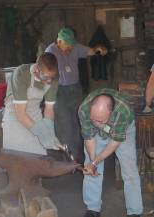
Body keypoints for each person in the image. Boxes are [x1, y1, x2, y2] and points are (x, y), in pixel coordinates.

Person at [78, 88, 143, 217]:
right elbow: (89, 137)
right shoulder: (83, 110)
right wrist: (93, 162)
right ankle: (93, 209)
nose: (96, 123)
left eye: (100, 120)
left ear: (111, 113)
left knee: (130, 170)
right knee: (90, 169)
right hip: (99, 133)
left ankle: (135, 211)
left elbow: (114, 143)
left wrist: (96, 161)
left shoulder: (122, 112)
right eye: (93, 119)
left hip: (122, 130)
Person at [45, 27, 106, 162]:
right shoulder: (50, 51)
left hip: (75, 89)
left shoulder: (75, 47)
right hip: (58, 91)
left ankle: (79, 155)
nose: (71, 47)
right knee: (65, 125)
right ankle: (67, 158)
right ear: (59, 41)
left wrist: (99, 49)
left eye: (72, 44)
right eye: (68, 44)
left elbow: (90, 51)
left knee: (79, 121)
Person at [2, 52, 60, 155]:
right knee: (16, 157)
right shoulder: (21, 74)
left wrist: (50, 132)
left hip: (34, 113)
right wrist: (42, 133)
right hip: (15, 114)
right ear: (37, 69)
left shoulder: (53, 77)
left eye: (52, 77)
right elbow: (21, 114)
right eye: (46, 77)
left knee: (38, 155)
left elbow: (49, 109)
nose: (49, 81)